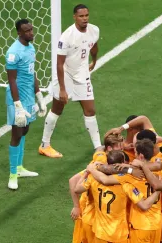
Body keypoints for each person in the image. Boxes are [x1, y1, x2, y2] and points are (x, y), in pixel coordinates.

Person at [38, 4, 101, 158]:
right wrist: (62, 89)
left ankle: (98, 147)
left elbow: (93, 46)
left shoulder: (94, 30)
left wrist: (94, 60)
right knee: (57, 109)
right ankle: (44, 145)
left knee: (90, 110)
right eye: (81, 16)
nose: (85, 18)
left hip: (82, 74)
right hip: (65, 75)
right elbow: (59, 64)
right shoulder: (66, 37)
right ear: (74, 17)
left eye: (86, 15)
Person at [75, 150, 160, 243]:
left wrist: (87, 171)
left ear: (107, 163)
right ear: (122, 163)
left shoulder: (93, 178)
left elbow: (77, 189)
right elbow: (144, 205)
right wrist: (158, 190)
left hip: (100, 231)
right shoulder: (126, 184)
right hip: (120, 233)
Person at [5, 19, 47, 190]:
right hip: (17, 98)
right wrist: (17, 105)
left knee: (25, 130)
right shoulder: (13, 52)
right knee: (16, 133)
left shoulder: (31, 47)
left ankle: (20, 167)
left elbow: (32, 72)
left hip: (29, 96)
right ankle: (12, 175)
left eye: (31, 29)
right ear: (19, 33)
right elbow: (12, 80)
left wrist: (39, 96)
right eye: (27, 31)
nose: (31, 33)